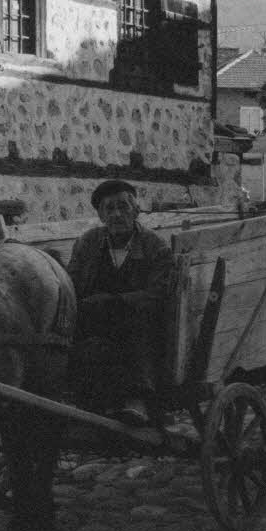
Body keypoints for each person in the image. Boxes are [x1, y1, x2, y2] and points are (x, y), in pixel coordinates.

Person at [66, 179, 174, 425]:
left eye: (123, 207)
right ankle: (81, 396)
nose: (116, 214)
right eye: (109, 209)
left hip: (140, 322)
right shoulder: (87, 243)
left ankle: (137, 398)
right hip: (95, 320)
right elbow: (71, 282)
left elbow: (159, 293)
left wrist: (116, 302)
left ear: (136, 211)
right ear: (101, 215)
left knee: (137, 324)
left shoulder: (155, 247)